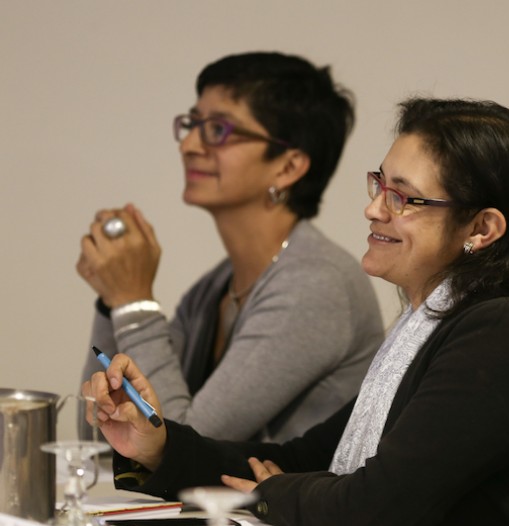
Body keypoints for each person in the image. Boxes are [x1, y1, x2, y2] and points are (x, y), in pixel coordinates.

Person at [85, 98, 509, 526]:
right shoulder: (432, 322)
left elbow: (375, 509)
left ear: (483, 228)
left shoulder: (506, 332)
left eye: (403, 197)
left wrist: (275, 491)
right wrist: (155, 446)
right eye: (379, 185)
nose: (375, 209)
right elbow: (303, 459)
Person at [76, 52, 384, 444]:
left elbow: (183, 444)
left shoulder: (317, 283)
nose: (188, 144)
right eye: (192, 124)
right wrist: (112, 300)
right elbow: (100, 442)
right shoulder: (215, 288)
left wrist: (133, 303)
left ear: (288, 167)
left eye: (217, 129)